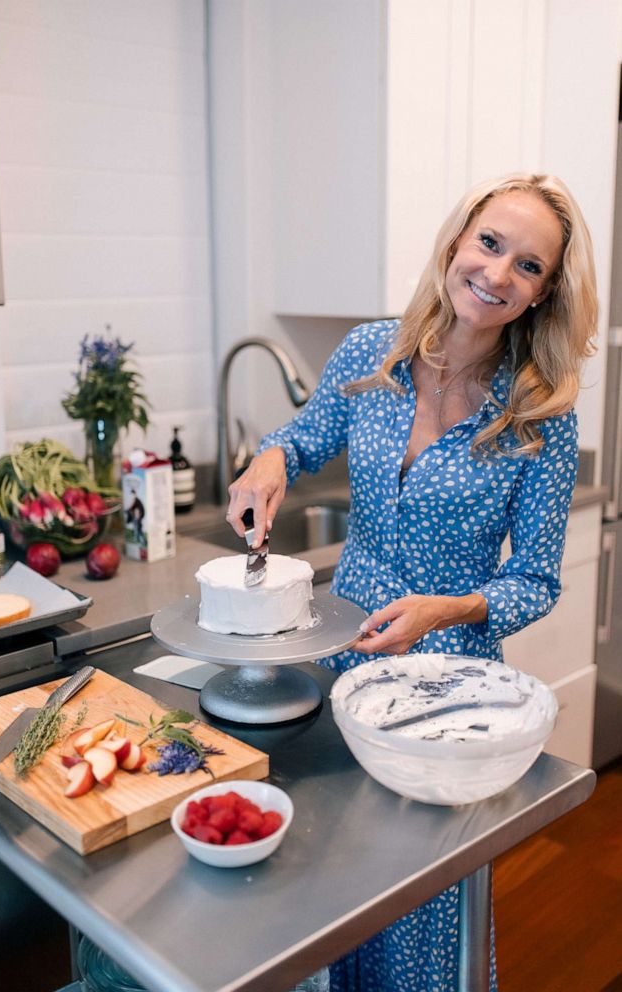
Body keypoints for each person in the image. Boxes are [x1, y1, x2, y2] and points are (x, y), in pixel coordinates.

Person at [225, 173, 598, 992]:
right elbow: (311, 432)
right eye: (490, 245)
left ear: (541, 295)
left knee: (418, 902)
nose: (498, 275)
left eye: (527, 267)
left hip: (446, 689)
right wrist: (271, 456)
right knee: (328, 877)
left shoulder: (540, 411)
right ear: (457, 242)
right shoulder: (371, 350)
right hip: (340, 657)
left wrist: (447, 609)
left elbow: (535, 581)